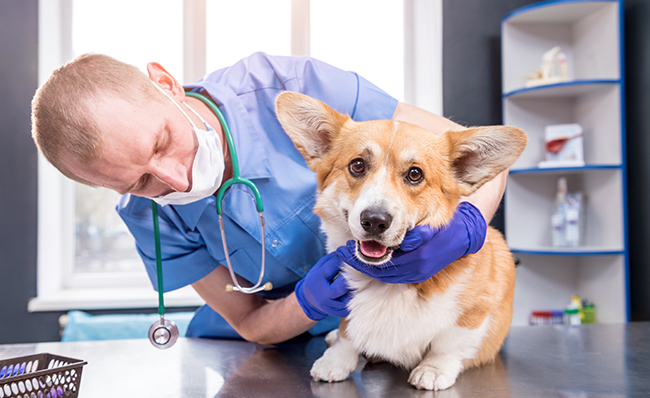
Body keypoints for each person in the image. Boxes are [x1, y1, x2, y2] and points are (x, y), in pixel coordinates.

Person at [31, 52, 507, 344]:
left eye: (161, 143)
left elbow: (473, 162)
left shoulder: (289, 84)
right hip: (285, 352)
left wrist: (464, 232)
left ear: (166, 84)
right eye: (139, 182)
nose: (175, 180)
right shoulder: (147, 218)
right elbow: (250, 324)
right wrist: (310, 301)